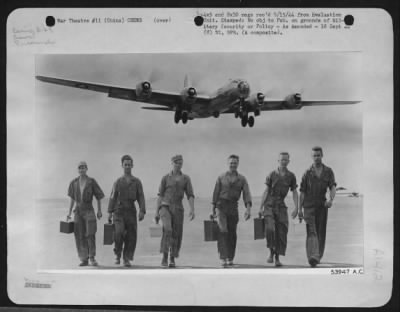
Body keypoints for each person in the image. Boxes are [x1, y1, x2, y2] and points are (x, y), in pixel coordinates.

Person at [258, 152, 299, 267]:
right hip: (269, 205)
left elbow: (295, 192)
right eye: (282, 160)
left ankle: (277, 257)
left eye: (286, 160)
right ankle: (271, 252)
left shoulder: (291, 176)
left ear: (288, 161)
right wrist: (260, 207)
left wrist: (297, 207)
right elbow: (266, 191)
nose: (284, 162)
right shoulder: (271, 174)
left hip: (281, 205)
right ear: (278, 161)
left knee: (282, 231)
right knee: (270, 229)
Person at [211, 154, 252, 267]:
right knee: (223, 230)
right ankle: (223, 257)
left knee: (232, 233)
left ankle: (230, 257)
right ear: (227, 163)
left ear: (238, 164)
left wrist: (248, 209)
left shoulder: (242, 179)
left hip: (233, 207)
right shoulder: (221, 177)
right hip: (221, 206)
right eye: (231, 163)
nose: (233, 165)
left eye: (235, 163)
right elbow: (215, 193)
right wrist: (213, 210)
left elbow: (247, 194)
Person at [299, 146, 336, 267]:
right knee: (311, 231)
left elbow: (332, 187)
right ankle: (312, 256)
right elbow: (302, 192)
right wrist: (299, 209)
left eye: (318, 155)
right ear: (311, 157)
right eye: (314, 155)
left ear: (322, 155)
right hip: (308, 205)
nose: (316, 158)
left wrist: (331, 199)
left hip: (322, 204)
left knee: (321, 232)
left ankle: (318, 255)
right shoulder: (307, 173)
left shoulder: (328, 171)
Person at [155, 155, 195, 268]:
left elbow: (190, 195)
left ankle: (172, 258)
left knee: (176, 233)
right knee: (167, 229)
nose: (179, 164)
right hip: (165, 207)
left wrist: (192, 209)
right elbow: (160, 195)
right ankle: (164, 256)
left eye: (180, 163)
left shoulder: (185, 178)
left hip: (178, 208)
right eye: (176, 162)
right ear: (172, 163)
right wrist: (156, 212)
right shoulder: (165, 178)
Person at [107, 155, 146, 267]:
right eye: (125, 165)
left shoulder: (137, 181)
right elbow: (112, 197)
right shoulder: (118, 182)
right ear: (122, 166)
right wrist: (109, 212)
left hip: (131, 211)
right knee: (118, 233)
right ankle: (117, 253)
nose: (127, 166)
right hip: (118, 211)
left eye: (129, 164)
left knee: (131, 236)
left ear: (132, 166)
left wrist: (142, 210)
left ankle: (126, 258)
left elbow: (141, 196)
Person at [67, 161, 104, 266]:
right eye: (80, 168)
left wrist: (99, 210)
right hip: (78, 211)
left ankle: (92, 257)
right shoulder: (73, 183)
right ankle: (84, 259)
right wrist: (69, 213)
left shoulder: (91, 181)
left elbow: (99, 197)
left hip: (89, 210)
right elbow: (72, 199)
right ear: (78, 170)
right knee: (79, 235)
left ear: (86, 169)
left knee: (90, 234)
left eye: (83, 167)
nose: (82, 169)